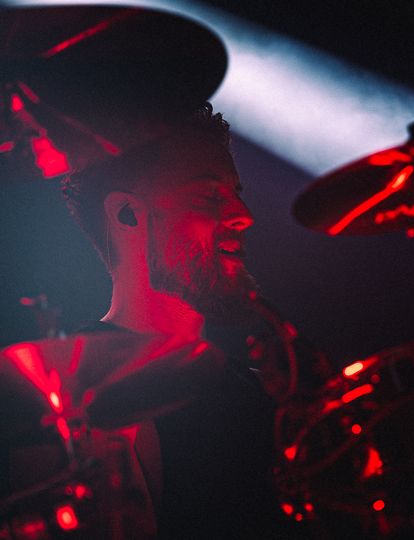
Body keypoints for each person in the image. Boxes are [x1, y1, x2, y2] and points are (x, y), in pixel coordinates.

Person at [62, 103, 295, 539]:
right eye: (209, 196)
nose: (244, 215)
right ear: (127, 214)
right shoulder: (72, 393)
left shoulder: (259, 386)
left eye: (236, 193)